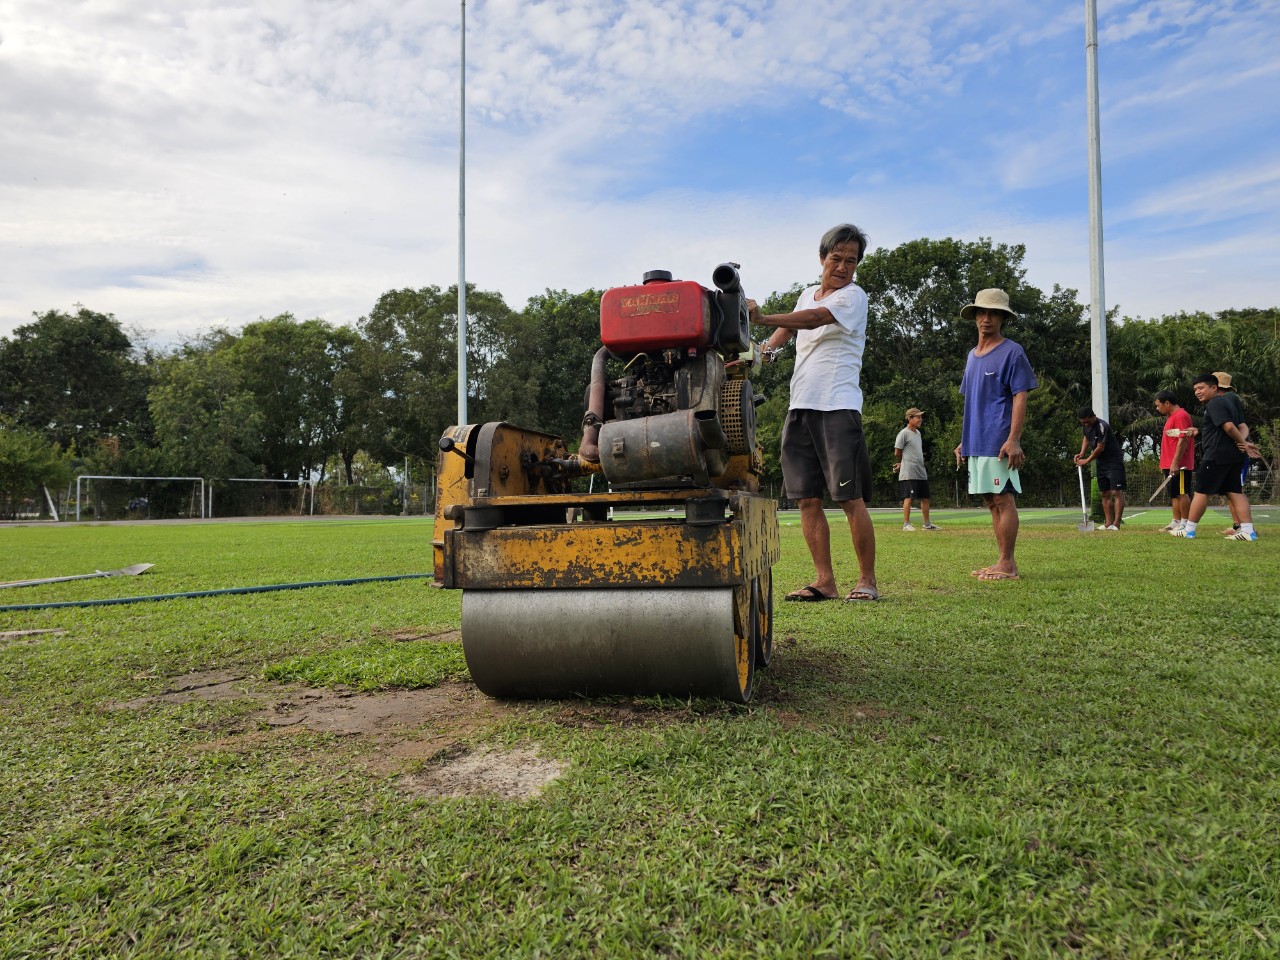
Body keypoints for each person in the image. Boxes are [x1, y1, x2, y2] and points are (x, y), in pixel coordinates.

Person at [748, 223, 879, 602]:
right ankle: (825, 581)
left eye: (850, 261)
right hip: (800, 406)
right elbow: (788, 330)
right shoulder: (808, 293)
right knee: (806, 498)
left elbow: (813, 319)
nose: (842, 267)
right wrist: (761, 351)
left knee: (849, 499)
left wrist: (762, 319)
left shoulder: (854, 297)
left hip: (838, 407)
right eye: (836, 258)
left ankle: (866, 581)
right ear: (822, 258)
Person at [953, 288, 1037, 581]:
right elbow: (973, 400)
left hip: (998, 440)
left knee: (1003, 499)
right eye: (982, 312)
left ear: (1003, 318)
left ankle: (1008, 564)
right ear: (975, 316)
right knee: (991, 501)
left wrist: (1013, 438)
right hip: (976, 440)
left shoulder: (1012, 352)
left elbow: (1020, 395)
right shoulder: (972, 356)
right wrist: (965, 440)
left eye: (993, 314)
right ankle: (1001, 561)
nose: (986, 319)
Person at [1175, 373, 1261, 541]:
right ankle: (1248, 532)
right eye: (1195, 389)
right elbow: (1237, 426)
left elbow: (1229, 427)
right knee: (1235, 492)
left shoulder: (1215, 403)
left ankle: (1189, 530)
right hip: (1232, 456)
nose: (1197, 392)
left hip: (1216, 455)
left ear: (1214, 388)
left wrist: (1242, 442)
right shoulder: (1227, 403)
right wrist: (1243, 442)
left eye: (1201, 388)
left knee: (1201, 491)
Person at [1212, 372, 1252, 537]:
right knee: (1231, 490)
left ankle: (1246, 528)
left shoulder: (1228, 398)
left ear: (1215, 387)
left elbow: (1238, 426)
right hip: (1230, 451)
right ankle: (1238, 526)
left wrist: (1240, 442)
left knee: (1236, 490)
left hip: (1233, 453)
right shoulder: (1222, 401)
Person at [1074, 409, 1127, 530]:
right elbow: (1086, 438)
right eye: (1083, 423)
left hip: (1114, 461)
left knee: (1116, 492)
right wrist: (1082, 453)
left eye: (1087, 421)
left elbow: (1100, 447)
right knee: (1104, 493)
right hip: (1101, 463)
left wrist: (1086, 460)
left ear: (1093, 417)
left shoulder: (1102, 426)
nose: (1086, 424)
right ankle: (1108, 523)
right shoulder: (1086, 426)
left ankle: (1116, 524)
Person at [1154, 389, 1194, 534]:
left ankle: (1185, 523)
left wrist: (1175, 462)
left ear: (1167, 403)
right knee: (1174, 493)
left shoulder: (1181, 415)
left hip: (1180, 464)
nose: (1157, 409)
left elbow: (1183, 440)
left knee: (1182, 492)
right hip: (1168, 463)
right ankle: (1176, 521)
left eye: (1159, 405)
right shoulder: (1171, 417)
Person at [893, 407, 939, 530]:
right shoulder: (903, 433)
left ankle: (927, 525)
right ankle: (906, 524)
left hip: (920, 471)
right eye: (918, 417)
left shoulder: (918, 433)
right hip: (909, 472)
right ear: (910, 418)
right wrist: (903, 462)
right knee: (908, 497)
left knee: (925, 497)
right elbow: (897, 452)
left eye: (921, 417)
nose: (920, 419)